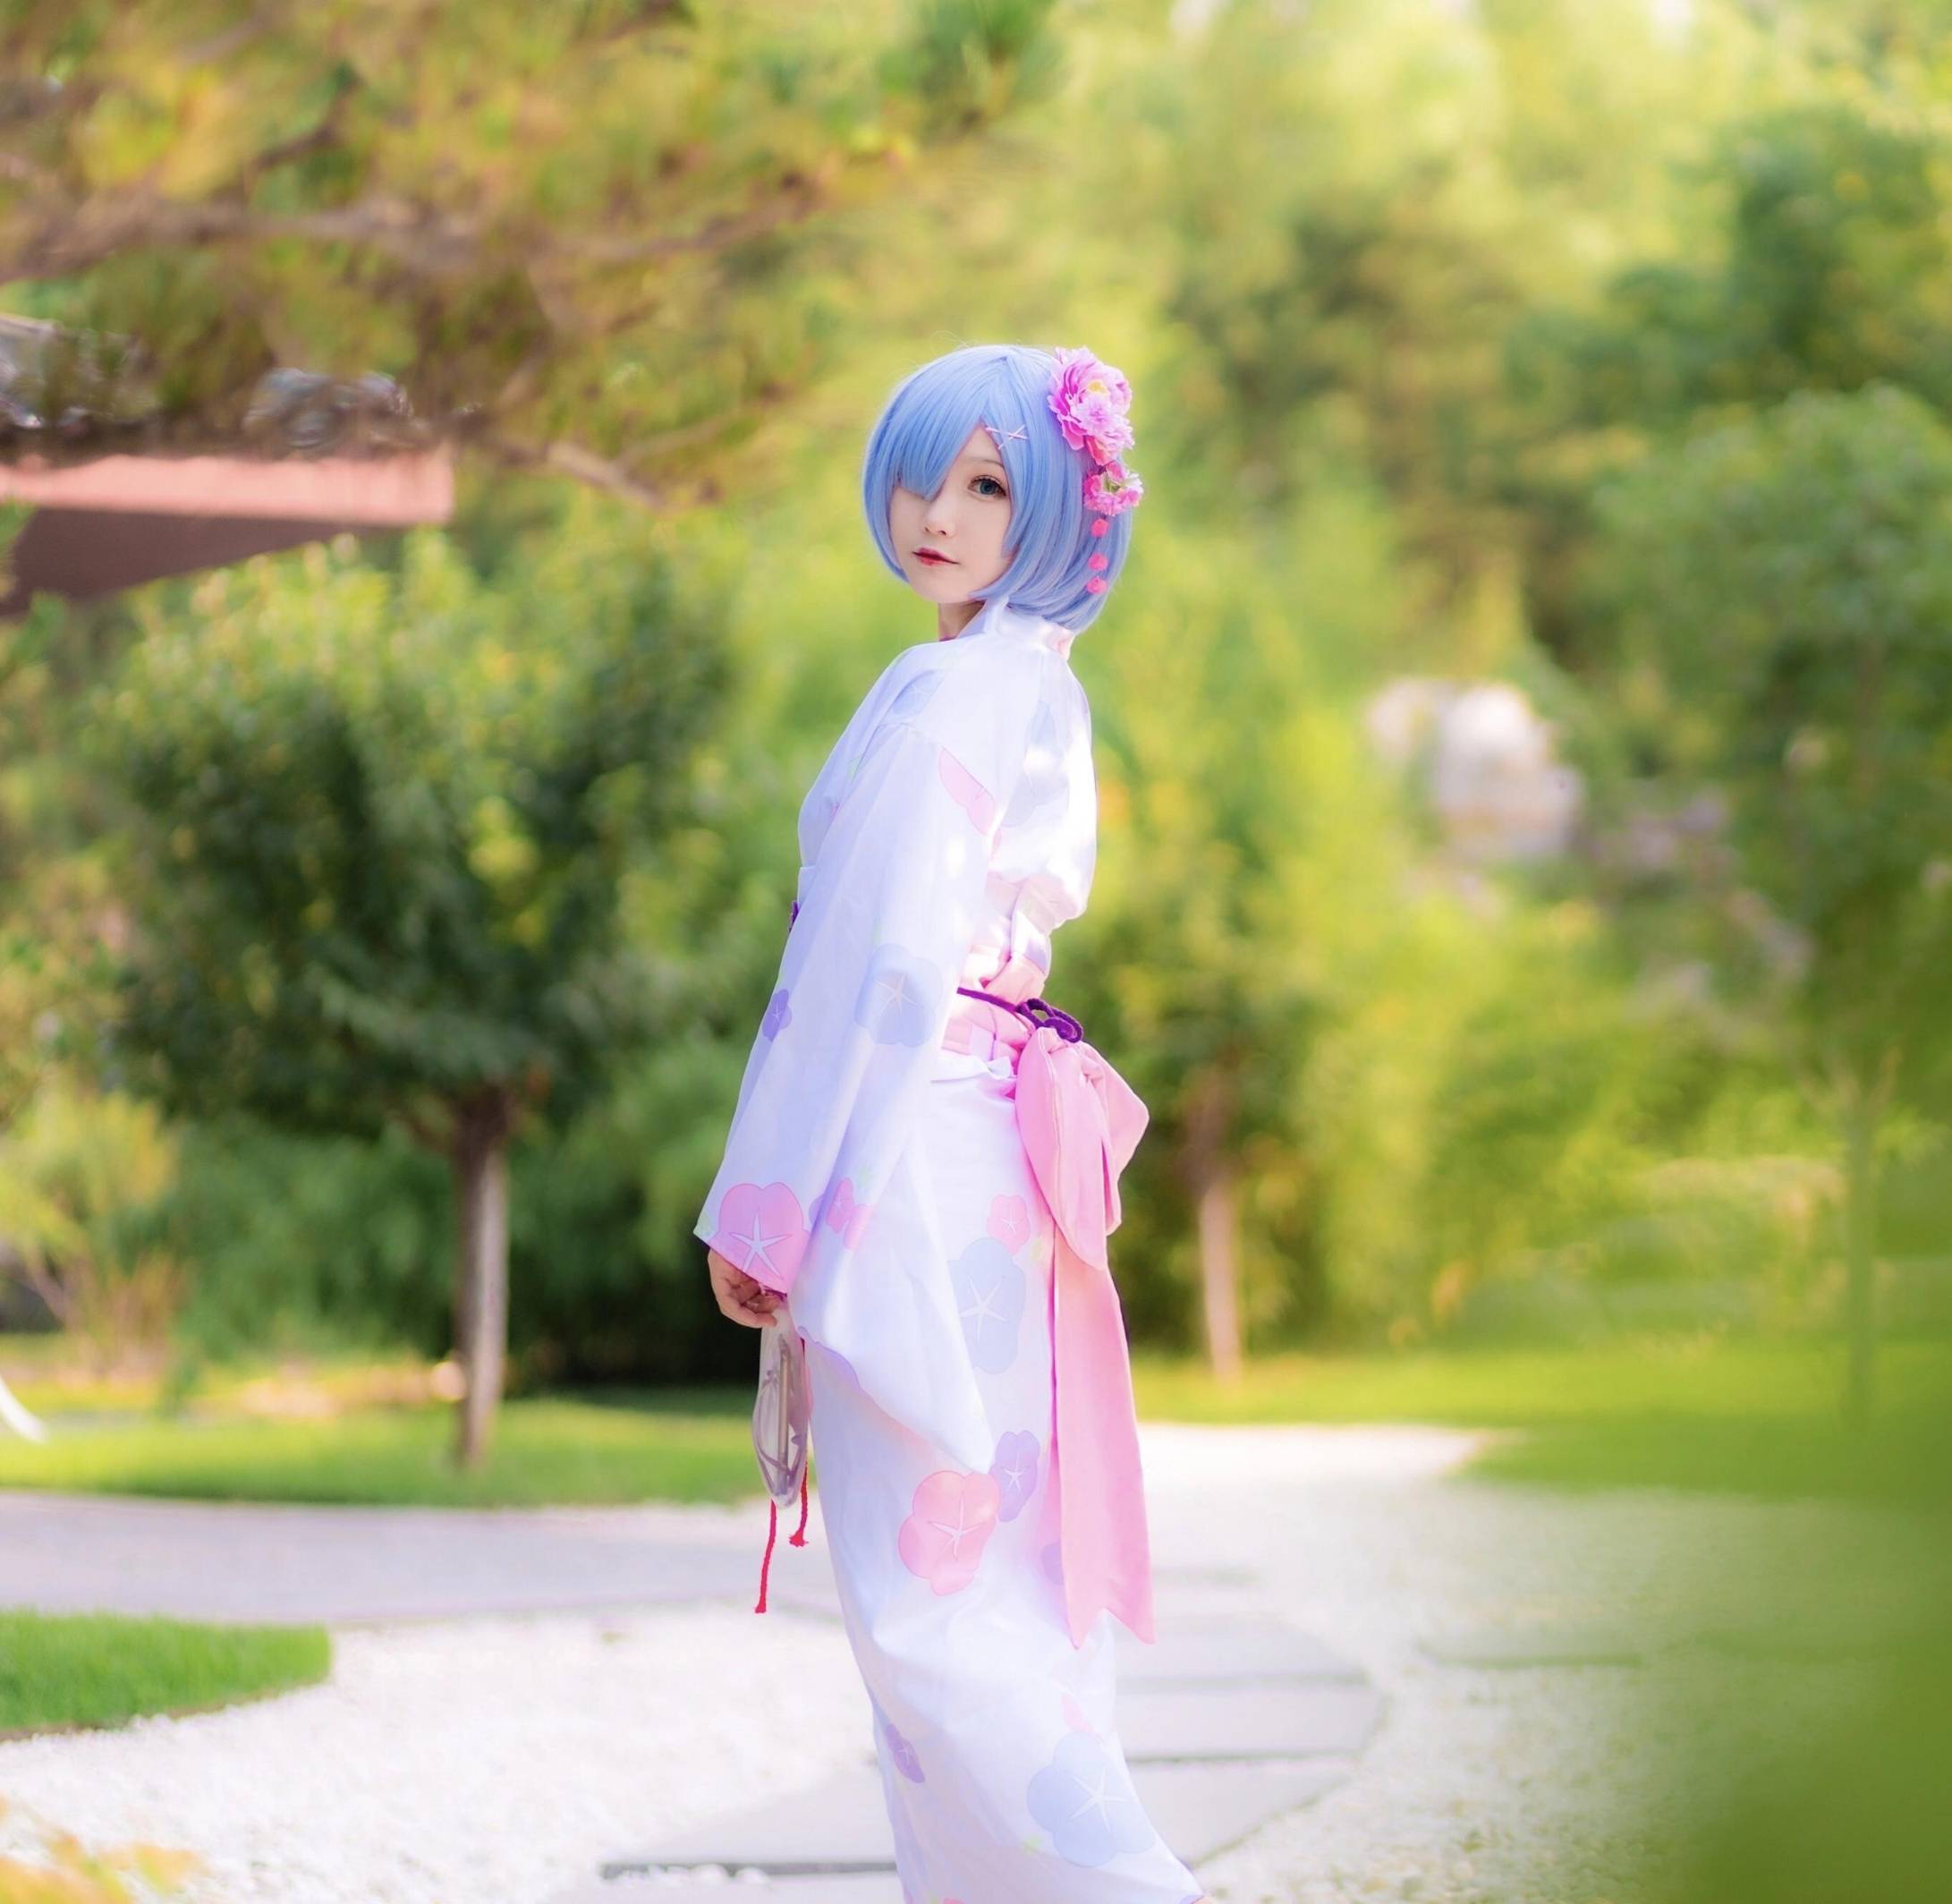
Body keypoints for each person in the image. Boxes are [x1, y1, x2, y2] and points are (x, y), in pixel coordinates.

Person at [698, 343, 1208, 1902]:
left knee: (932, 1603)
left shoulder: (950, 690)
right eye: (921, 477)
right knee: (1001, 1570)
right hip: (987, 1148)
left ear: (1053, 507)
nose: (938, 513)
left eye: (988, 484)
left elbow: (878, 964)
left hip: (912, 1143)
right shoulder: (1030, 682)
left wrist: (766, 1205)